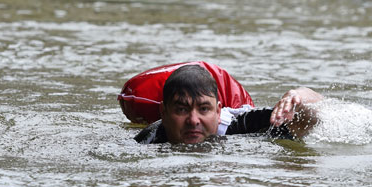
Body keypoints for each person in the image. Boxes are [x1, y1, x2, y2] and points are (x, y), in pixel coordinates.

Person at [134, 64, 324, 144]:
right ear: (164, 112)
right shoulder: (151, 138)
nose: (193, 120)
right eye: (182, 109)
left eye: (204, 109)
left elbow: (315, 116)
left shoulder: (244, 125)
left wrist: (297, 96)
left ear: (218, 111)